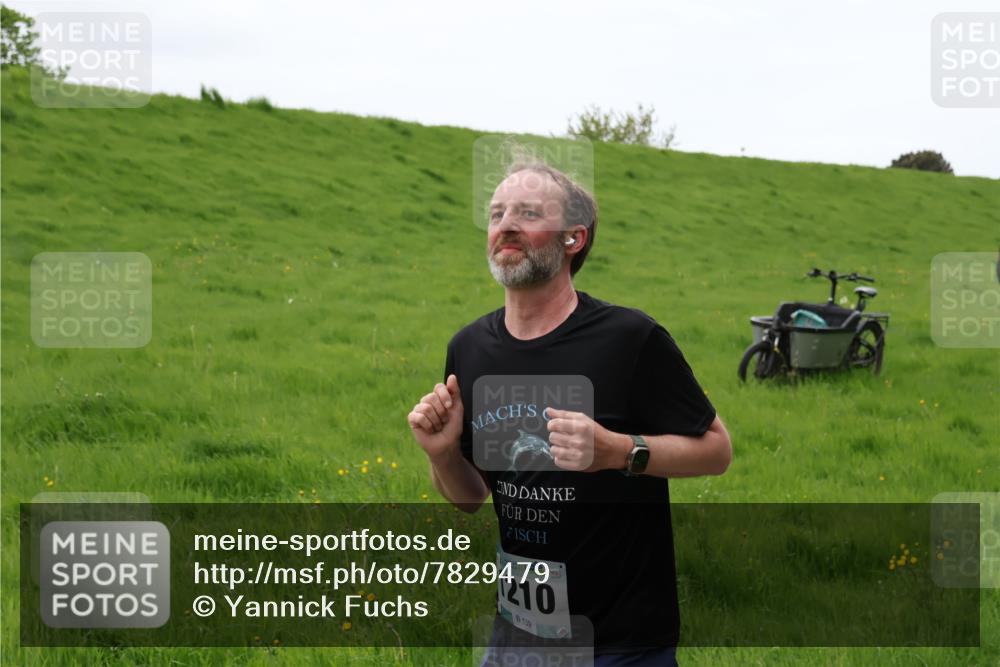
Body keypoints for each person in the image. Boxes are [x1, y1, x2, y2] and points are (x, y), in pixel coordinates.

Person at [407, 155, 732, 666]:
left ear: (573, 238)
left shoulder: (630, 339)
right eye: (496, 214)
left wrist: (618, 451)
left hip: (621, 643)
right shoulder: (469, 348)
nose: (506, 224)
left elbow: (717, 450)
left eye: (529, 213)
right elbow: (472, 499)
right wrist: (443, 454)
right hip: (518, 634)